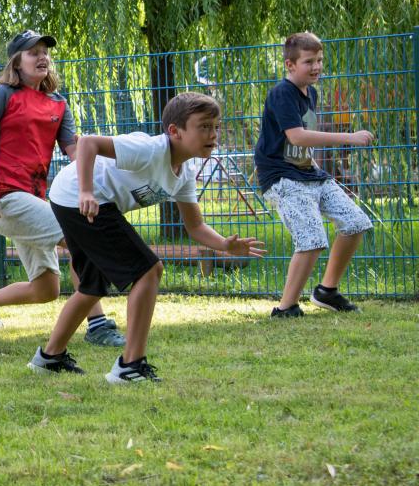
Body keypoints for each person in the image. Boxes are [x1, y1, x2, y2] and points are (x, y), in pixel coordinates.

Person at [30, 92, 267, 384]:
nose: (213, 134)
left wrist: (225, 245)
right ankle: (130, 365)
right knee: (149, 269)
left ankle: (49, 357)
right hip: (78, 197)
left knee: (92, 285)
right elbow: (88, 142)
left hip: (76, 199)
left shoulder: (185, 172)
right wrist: (86, 192)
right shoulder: (150, 149)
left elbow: (195, 226)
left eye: (216, 126)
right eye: (204, 126)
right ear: (174, 131)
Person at [0, 30, 126, 347]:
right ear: (16, 62)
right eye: (32, 52)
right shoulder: (2, 95)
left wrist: (102, 177)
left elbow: (76, 152)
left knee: (46, 288)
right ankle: (98, 325)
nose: (42, 57)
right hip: (3, 199)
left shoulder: (58, 104)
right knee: (81, 237)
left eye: (44, 52)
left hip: (34, 200)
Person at [255, 32, 374, 318]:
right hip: (282, 178)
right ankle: (285, 308)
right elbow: (296, 137)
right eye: (309, 61)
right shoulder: (282, 93)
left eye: (319, 60)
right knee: (312, 239)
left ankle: (326, 292)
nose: (316, 66)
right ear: (290, 65)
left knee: (356, 222)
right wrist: (349, 138)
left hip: (310, 174)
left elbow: (303, 142)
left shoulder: (312, 92)